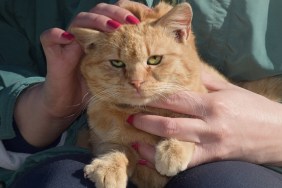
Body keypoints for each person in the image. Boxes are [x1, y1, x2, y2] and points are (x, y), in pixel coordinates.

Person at [0, 0, 282, 187]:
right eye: (120, 65)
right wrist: (50, 107)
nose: (136, 81)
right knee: (61, 180)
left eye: (154, 61)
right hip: (68, 148)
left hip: (260, 156)